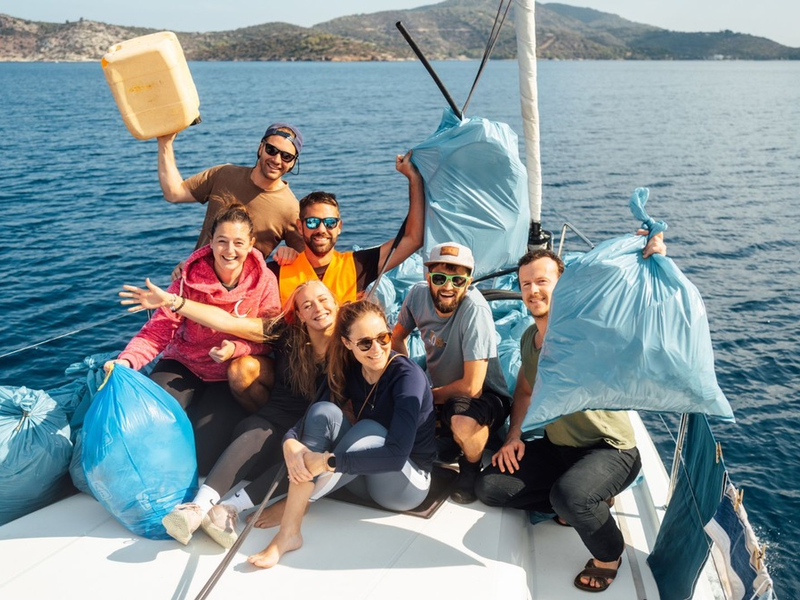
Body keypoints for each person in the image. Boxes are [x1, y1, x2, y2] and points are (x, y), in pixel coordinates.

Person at [475, 240, 665, 593]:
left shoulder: (587, 330)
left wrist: (648, 261)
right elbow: (526, 392)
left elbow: (633, 312)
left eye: (542, 281)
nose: (532, 290)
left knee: (570, 498)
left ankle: (609, 555)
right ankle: (586, 496)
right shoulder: (529, 338)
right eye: (526, 283)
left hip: (611, 451)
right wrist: (514, 435)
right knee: (490, 487)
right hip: (559, 448)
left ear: (563, 284)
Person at [119, 278, 339, 547]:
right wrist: (172, 301)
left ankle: (228, 510)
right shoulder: (286, 334)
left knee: (304, 458)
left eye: (323, 299)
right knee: (256, 432)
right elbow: (227, 322)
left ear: (336, 302)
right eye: (308, 305)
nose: (318, 308)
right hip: (269, 424)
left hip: (308, 436)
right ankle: (197, 509)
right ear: (300, 315)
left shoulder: (350, 343)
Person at [247, 300, 436, 568]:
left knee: (368, 430)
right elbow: (310, 415)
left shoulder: (407, 378)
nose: (376, 349)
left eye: (383, 338)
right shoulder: (349, 368)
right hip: (361, 478)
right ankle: (294, 524)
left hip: (404, 485)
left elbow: (396, 455)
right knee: (324, 411)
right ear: (348, 344)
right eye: (364, 343)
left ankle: (295, 510)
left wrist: (326, 461)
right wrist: (289, 441)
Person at [229, 151, 425, 409]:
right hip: (291, 372)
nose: (321, 229)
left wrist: (413, 179)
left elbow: (412, 239)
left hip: (342, 371)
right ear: (300, 228)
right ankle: (269, 421)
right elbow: (233, 275)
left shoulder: (356, 264)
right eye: (312, 222)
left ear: (339, 226)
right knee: (240, 371)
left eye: (329, 222)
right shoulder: (277, 270)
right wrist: (188, 268)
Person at [106, 204, 280, 475]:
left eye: (238, 243)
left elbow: (269, 339)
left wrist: (237, 348)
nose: (229, 251)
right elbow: (158, 331)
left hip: (225, 377)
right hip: (183, 364)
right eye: (222, 242)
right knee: (148, 421)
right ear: (210, 242)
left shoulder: (264, 281)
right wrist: (127, 361)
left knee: (205, 455)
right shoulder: (188, 279)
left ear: (251, 244)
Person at [391, 242, 511, 505]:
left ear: (468, 281)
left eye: (458, 279)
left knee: (462, 421)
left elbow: (472, 387)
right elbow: (396, 337)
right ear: (427, 277)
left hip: (484, 396)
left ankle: (470, 468)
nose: (448, 287)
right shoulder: (416, 296)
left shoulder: (475, 311)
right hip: (440, 390)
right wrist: (406, 375)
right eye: (439, 278)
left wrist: (426, 398)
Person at [157, 123, 305, 277]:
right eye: (271, 150)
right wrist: (165, 143)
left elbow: (308, 262)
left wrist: (290, 255)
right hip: (195, 279)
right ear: (261, 148)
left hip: (237, 295)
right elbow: (173, 193)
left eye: (286, 156)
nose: (276, 159)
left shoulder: (290, 209)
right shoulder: (224, 174)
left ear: (293, 162)